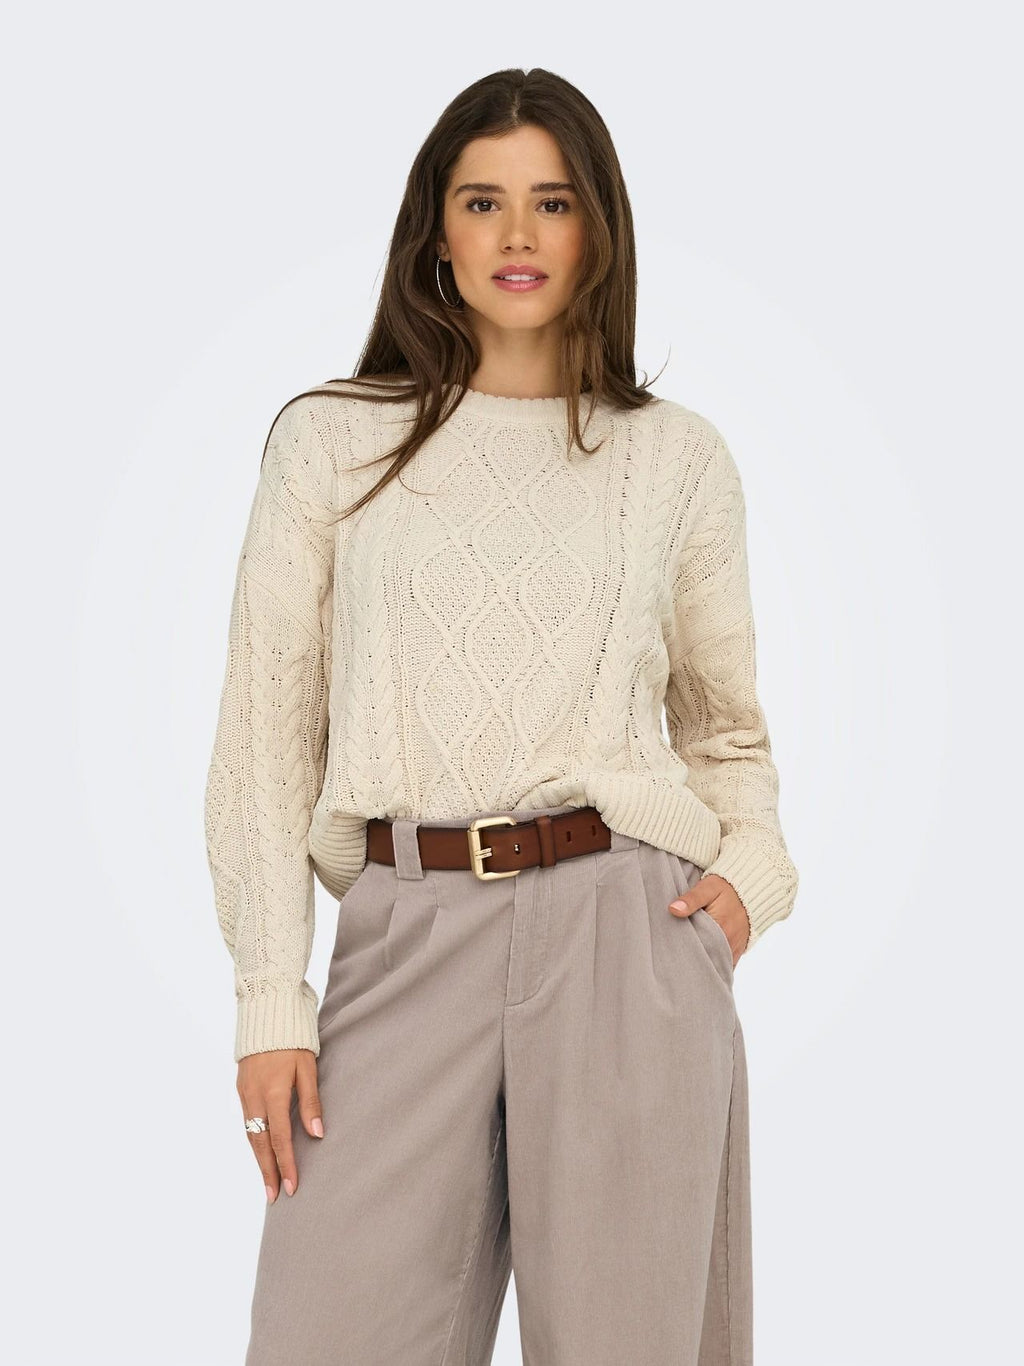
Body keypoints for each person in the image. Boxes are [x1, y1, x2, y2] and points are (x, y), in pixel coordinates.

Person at [203, 66, 798, 1366]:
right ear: (437, 229)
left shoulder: (675, 458)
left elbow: (726, 730)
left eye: (554, 201)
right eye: (483, 201)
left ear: (600, 230)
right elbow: (264, 734)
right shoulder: (331, 441)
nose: (519, 235)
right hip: (403, 928)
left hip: (628, 933)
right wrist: (269, 996)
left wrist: (748, 881)